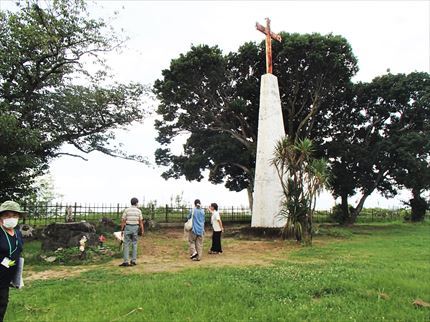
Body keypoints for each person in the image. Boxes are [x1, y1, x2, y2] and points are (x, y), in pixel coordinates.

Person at [0, 201, 25, 322]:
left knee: (2, 305)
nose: (11, 218)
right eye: (7, 215)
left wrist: (17, 274)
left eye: (14, 215)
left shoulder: (18, 233)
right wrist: (7, 262)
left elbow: (18, 251)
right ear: (1, 216)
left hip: (6, 279)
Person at [119, 198, 144, 267]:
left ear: (131, 203)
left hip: (128, 227)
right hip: (135, 227)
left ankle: (126, 261)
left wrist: (122, 230)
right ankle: (133, 261)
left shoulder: (126, 210)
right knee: (134, 244)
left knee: (126, 244)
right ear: (136, 203)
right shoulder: (139, 211)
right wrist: (142, 230)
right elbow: (140, 221)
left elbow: (123, 220)